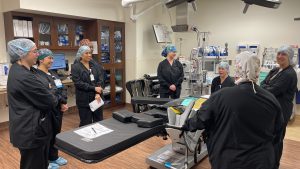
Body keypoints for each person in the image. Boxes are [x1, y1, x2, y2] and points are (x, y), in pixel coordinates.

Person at [182, 51, 284, 169]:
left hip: (229, 160)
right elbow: (278, 136)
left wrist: (185, 124)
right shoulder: (271, 99)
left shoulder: (221, 96)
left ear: (237, 68)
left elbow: (200, 118)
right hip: (262, 161)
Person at [7, 39, 58, 169]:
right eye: (35, 51)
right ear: (22, 53)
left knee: (39, 163)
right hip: (30, 132)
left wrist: (49, 90)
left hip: (29, 128)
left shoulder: (21, 70)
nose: (37, 54)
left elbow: (48, 90)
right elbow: (51, 101)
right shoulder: (24, 76)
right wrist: (50, 91)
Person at [260, 45, 297, 169]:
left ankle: (274, 165)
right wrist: (265, 87)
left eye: (284, 54)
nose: (280, 56)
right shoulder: (276, 70)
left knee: (276, 140)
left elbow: (271, 90)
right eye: (279, 53)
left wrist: (265, 87)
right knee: (269, 138)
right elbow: (262, 83)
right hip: (270, 110)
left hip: (280, 112)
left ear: (290, 57)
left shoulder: (289, 74)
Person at [36, 48, 68, 169]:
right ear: (41, 59)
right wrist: (59, 100)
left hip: (58, 109)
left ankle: (54, 157)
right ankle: (46, 161)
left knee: (56, 133)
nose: (52, 60)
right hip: (48, 110)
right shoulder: (38, 76)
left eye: (52, 58)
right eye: (49, 58)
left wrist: (63, 102)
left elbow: (62, 88)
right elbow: (49, 93)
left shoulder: (52, 73)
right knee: (47, 135)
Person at [71, 46, 103, 127]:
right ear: (81, 55)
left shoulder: (94, 65)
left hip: (96, 98)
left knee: (98, 121)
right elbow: (78, 83)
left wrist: (97, 93)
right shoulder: (75, 67)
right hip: (84, 99)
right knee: (86, 123)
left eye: (90, 53)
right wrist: (94, 88)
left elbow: (100, 79)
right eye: (86, 53)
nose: (89, 55)